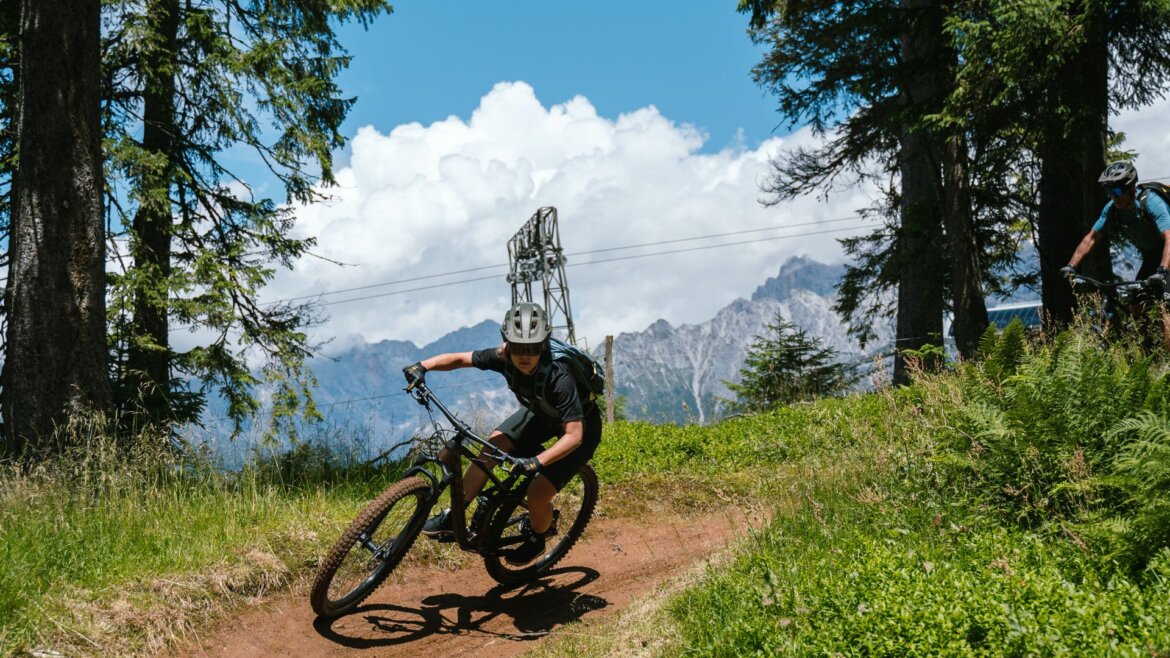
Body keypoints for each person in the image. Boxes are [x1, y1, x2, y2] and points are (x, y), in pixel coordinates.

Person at [401, 302, 603, 565]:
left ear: (543, 345)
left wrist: (537, 461)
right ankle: (454, 516)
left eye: (532, 348)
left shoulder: (559, 376)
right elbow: (461, 359)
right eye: (518, 346)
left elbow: (574, 436)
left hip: (580, 429)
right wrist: (423, 366)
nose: (524, 355)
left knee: (536, 494)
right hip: (541, 414)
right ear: (507, 342)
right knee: (490, 450)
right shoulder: (503, 357)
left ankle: (538, 537)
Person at [1061, 161, 1170, 286]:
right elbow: (1091, 238)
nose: (1114, 197)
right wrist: (1071, 266)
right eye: (1109, 191)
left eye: (1118, 191)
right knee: (1138, 295)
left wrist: (1163, 270)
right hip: (1153, 255)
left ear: (1131, 188)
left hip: (1167, 253)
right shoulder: (1112, 208)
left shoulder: (1152, 203)